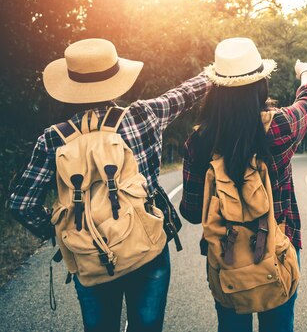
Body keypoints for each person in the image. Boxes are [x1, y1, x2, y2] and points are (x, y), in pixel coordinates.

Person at [8, 38, 211, 332]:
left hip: (88, 255)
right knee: (147, 326)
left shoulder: (52, 139)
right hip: (147, 248)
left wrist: (62, 231)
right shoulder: (142, 115)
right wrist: (215, 72)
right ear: (116, 79)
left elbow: (22, 204)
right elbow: (186, 93)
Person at [180, 37, 307, 332]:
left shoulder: (199, 141)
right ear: (261, 85)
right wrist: (305, 72)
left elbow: (193, 212)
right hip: (279, 245)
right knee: (279, 325)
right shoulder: (280, 127)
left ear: (216, 90)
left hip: (225, 256)